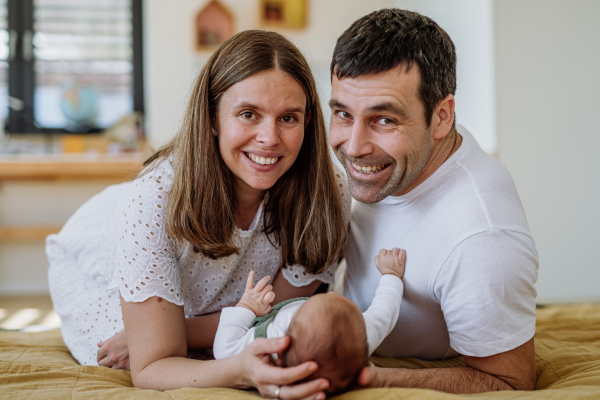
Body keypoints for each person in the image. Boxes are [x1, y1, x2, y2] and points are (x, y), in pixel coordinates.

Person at [47, 29, 351, 399]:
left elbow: (275, 311)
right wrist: (235, 368)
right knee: (131, 356)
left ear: (307, 121)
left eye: (288, 118)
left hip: (233, 305)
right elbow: (152, 367)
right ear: (212, 118)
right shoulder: (152, 199)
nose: (270, 138)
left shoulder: (328, 187)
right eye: (248, 114)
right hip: (102, 257)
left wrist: (177, 331)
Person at [327, 9, 538, 394]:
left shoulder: (480, 237)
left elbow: (509, 380)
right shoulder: (401, 159)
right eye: (343, 113)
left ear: (442, 117)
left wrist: (374, 378)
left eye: (384, 120)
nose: (353, 147)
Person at [213, 248, 406, 395]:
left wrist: (246, 307)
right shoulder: (362, 334)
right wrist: (392, 276)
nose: (331, 292)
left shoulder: (271, 340)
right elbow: (384, 312)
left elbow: (225, 351)